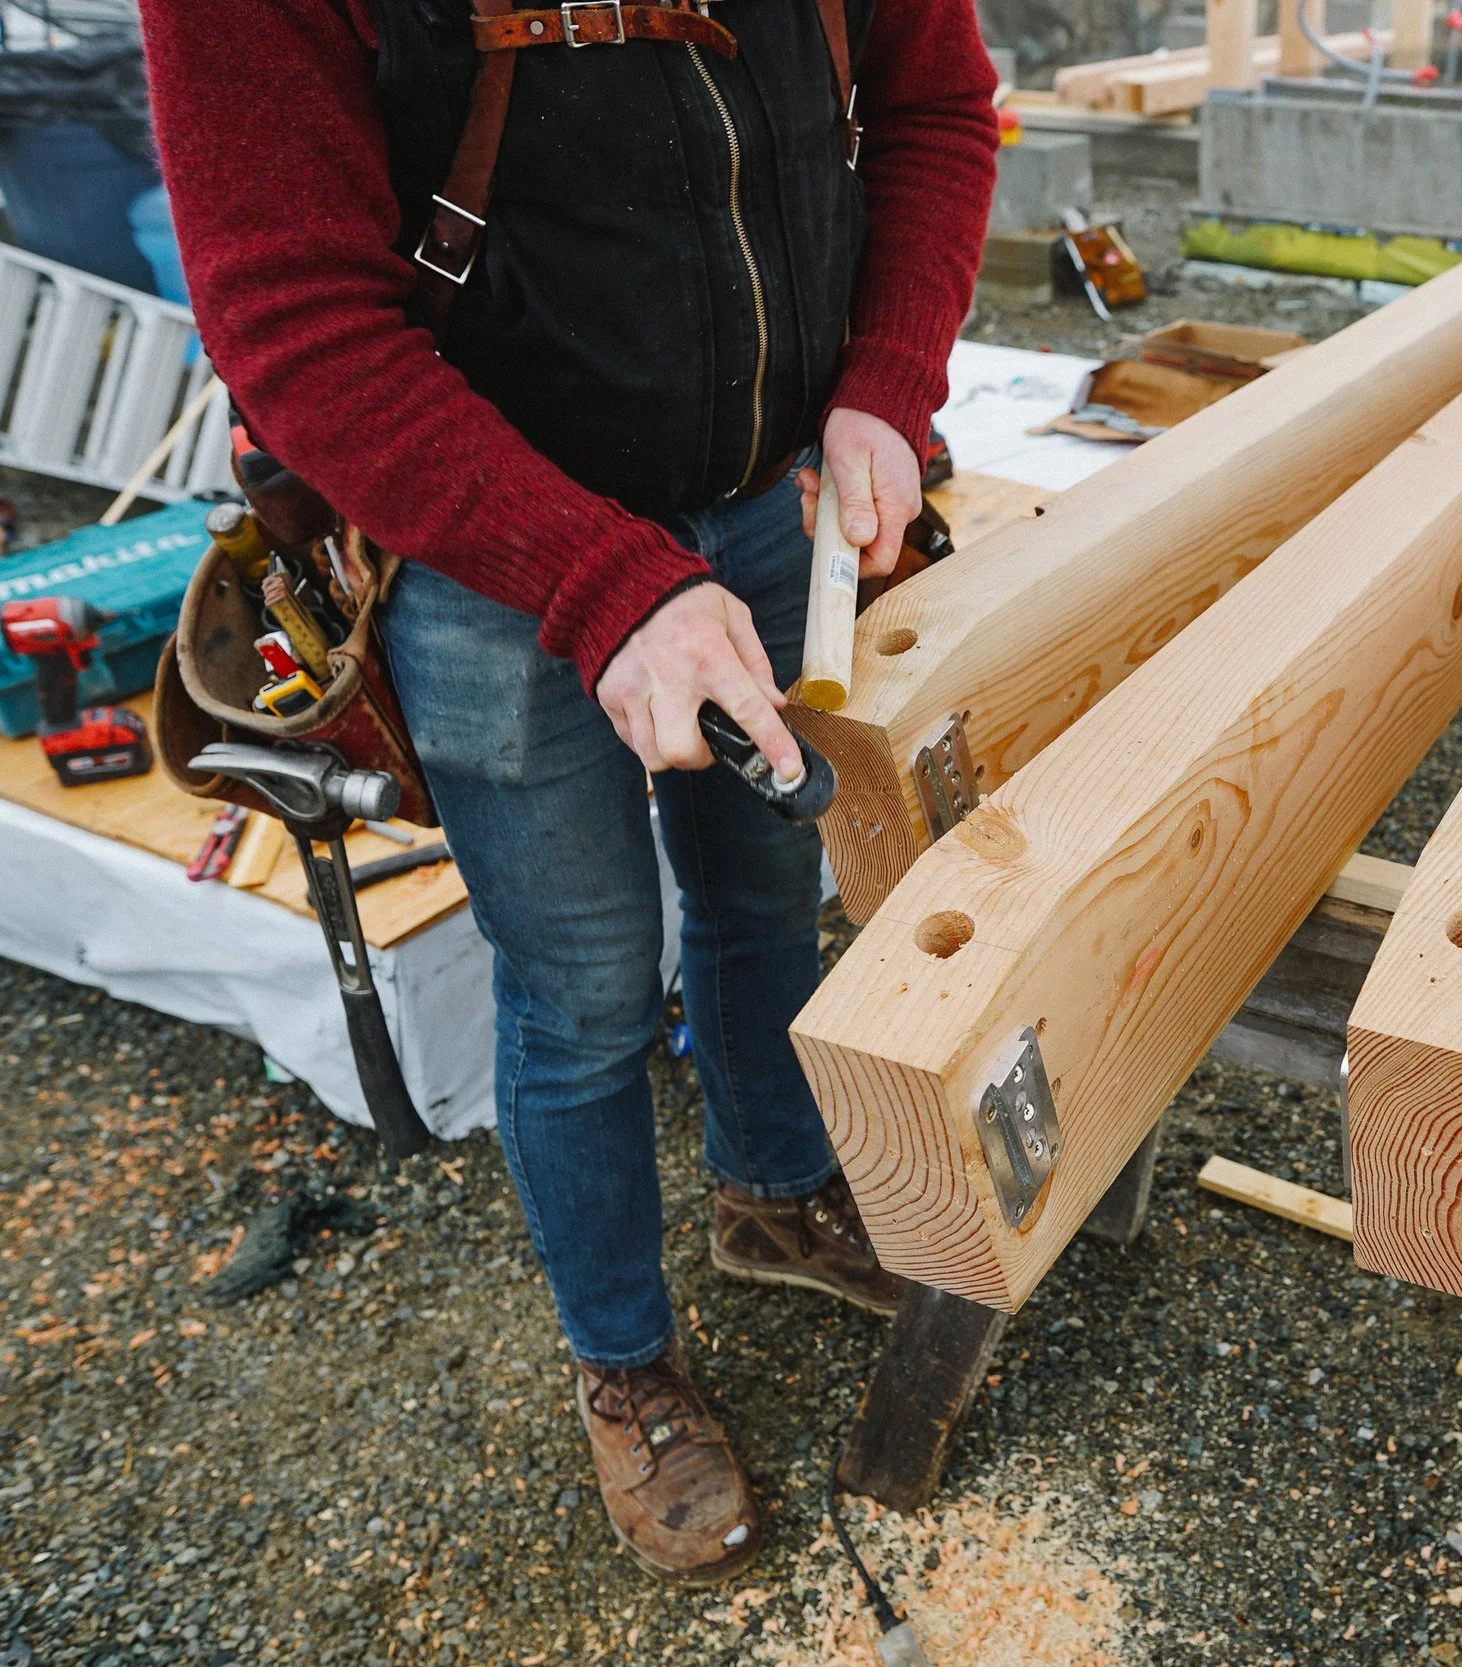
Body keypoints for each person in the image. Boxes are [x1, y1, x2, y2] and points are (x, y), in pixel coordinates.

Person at [136, 0, 998, 1585]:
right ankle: (624, 1360)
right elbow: (290, 318)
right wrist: (599, 577)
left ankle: (773, 1192)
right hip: (480, 559)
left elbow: (936, 108)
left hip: (768, 494)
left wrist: (888, 379)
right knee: (584, 985)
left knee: (759, 894)